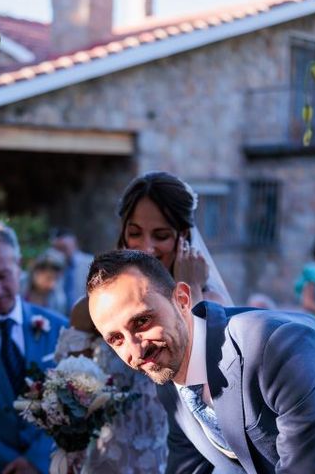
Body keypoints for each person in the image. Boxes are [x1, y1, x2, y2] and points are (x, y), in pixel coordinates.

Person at [87, 249, 315, 474]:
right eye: (116, 339)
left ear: (183, 299)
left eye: (142, 322)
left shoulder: (278, 346)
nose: (135, 348)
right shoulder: (169, 377)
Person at [55, 171, 231, 473]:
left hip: (177, 461)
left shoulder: (211, 302)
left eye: (160, 235)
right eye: (135, 232)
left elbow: (210, 392)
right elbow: (71, 386)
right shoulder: (95, 309)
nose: (145, 247)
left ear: (184, 237)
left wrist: (193, 290)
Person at [0, 221, 68, 474]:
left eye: (3, 276)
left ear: (19, 266)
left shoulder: (59, 329)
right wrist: (9, 463)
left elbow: (74, 401)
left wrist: (36, 460)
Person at [51, 228, 93, 315]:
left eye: (64, 248)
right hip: (60, 315)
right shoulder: (52, 267)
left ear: (74, 244)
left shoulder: (89, 263)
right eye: (57, 249)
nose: (61, 253)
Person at [22, 248, 66, 315]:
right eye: (48, 278)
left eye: (56, 279)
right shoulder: (19, 286)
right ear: (36, 272)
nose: (52, 285)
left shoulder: (58, 300)